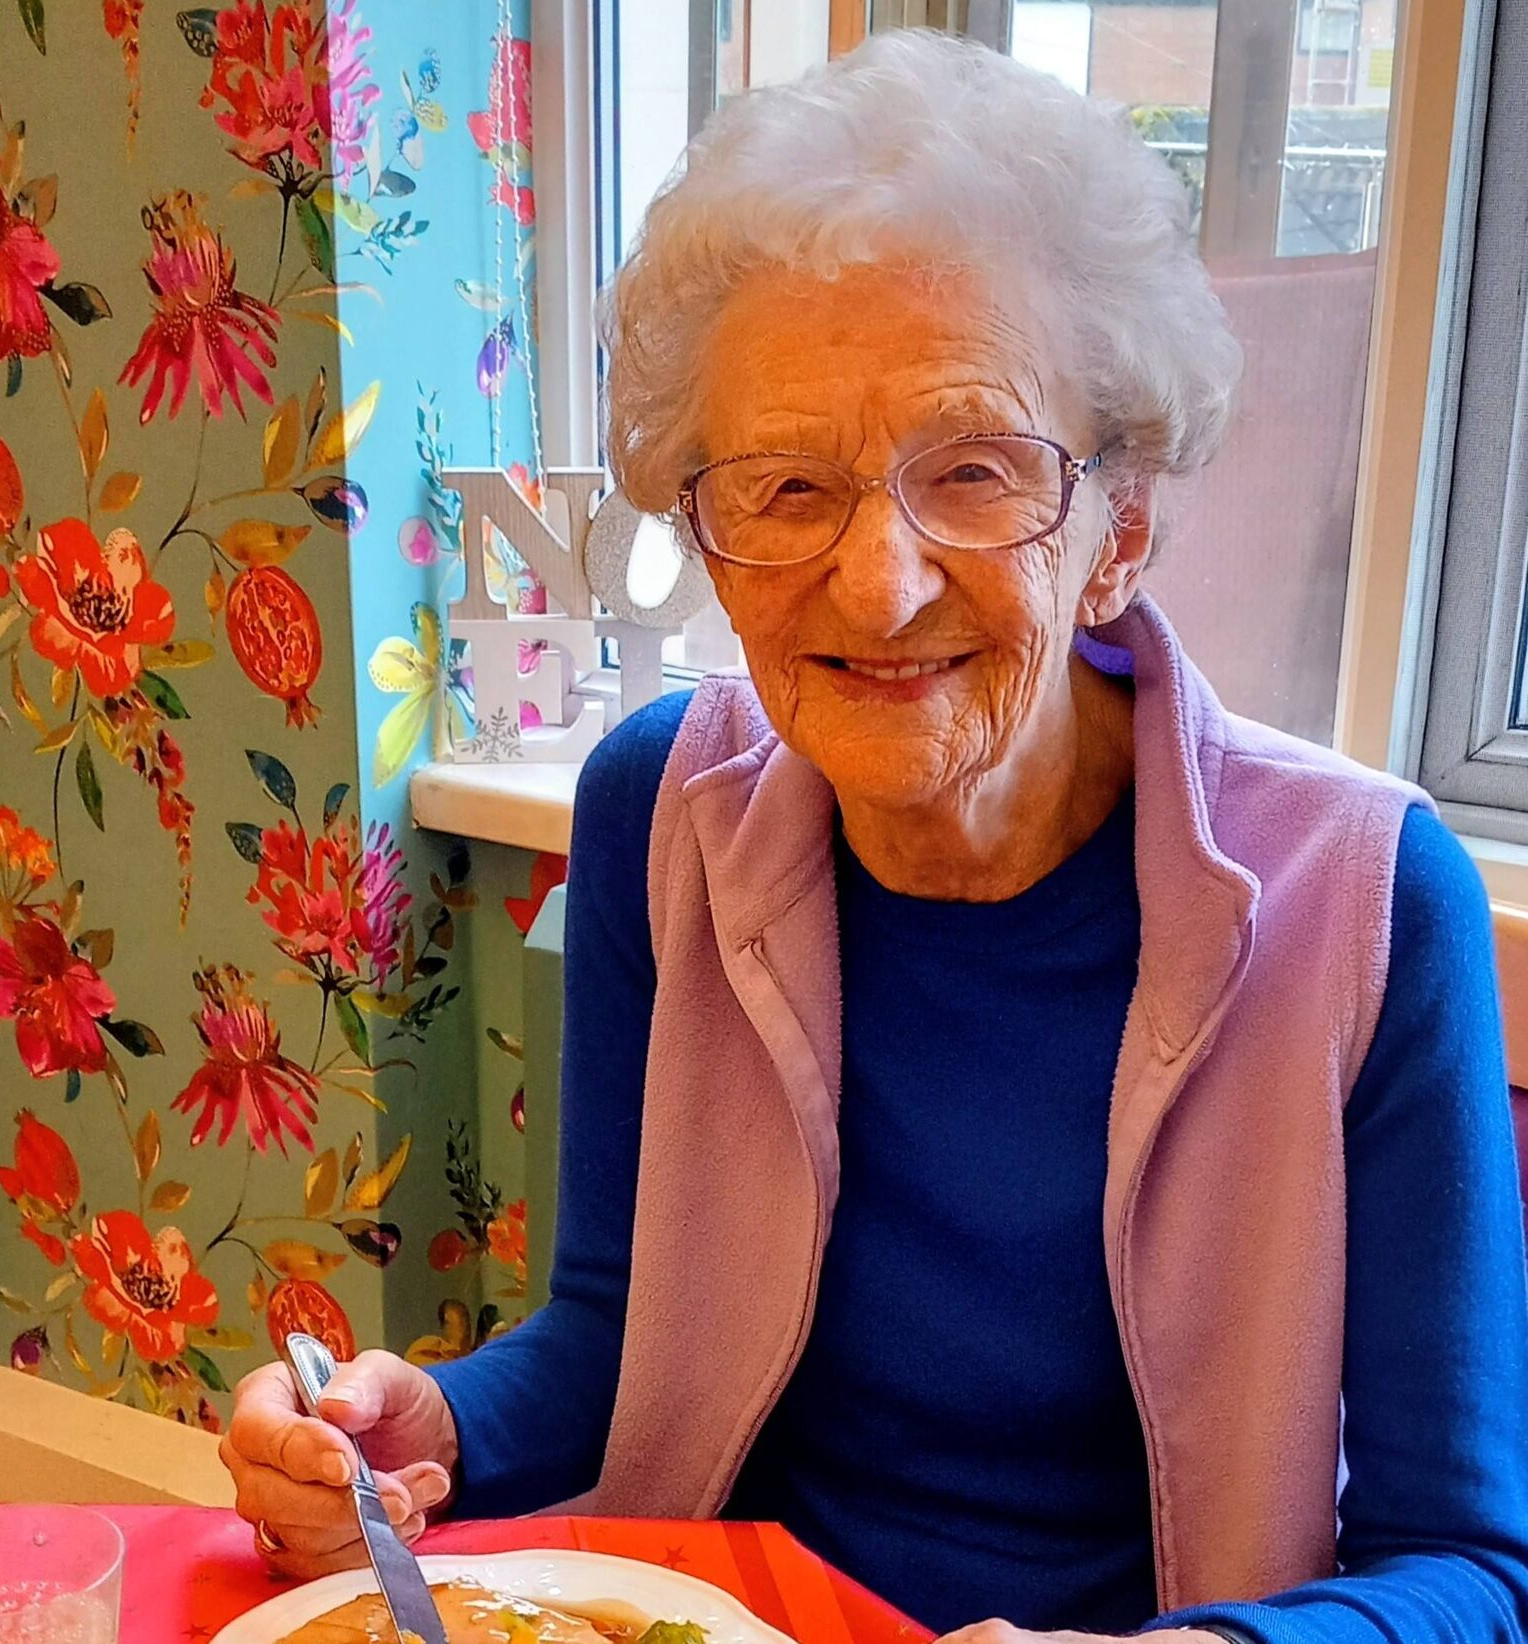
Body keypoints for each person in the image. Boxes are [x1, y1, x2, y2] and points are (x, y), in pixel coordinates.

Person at [221, 32, 1528, 1644]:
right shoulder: (660, 812)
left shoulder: (1371, 901)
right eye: (786, 488)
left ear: (1118, 527)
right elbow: (617, 1329)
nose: (878, 584)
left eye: (971, 471)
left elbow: (1472, 1574)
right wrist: (436, 1426)